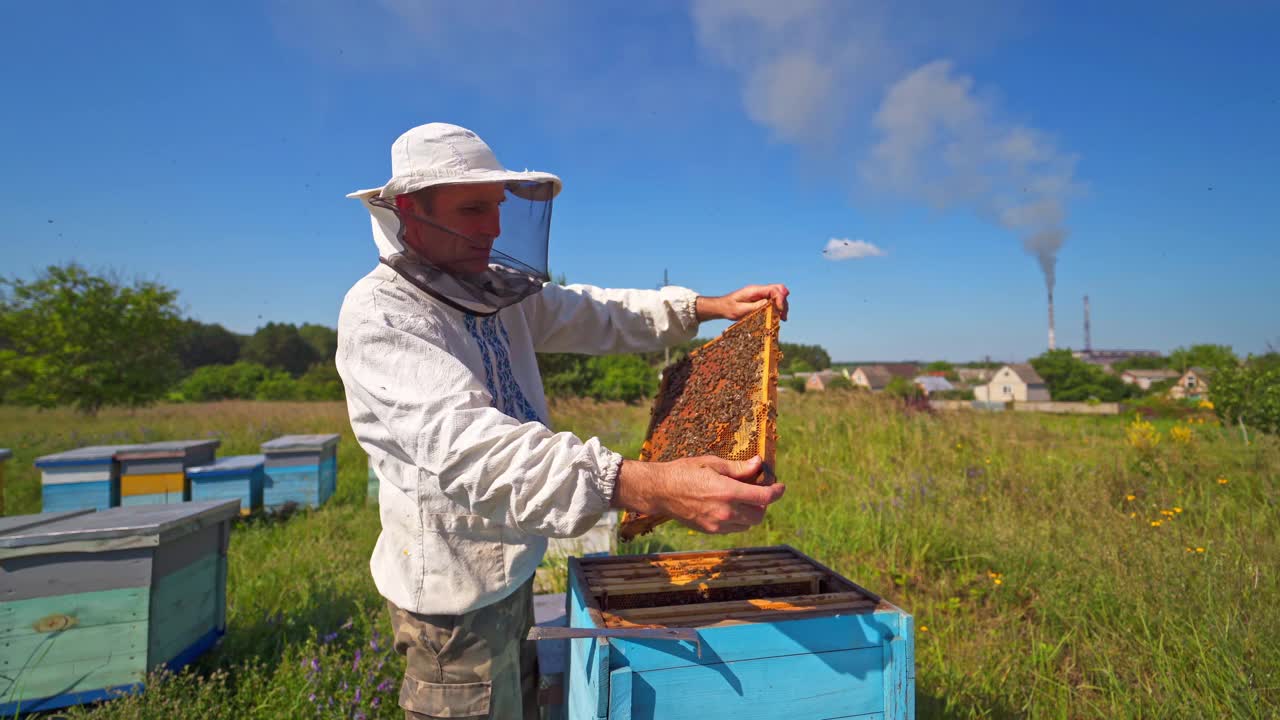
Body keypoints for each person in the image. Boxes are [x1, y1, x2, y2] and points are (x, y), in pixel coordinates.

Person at [336, 123, 790, 719]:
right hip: (453, 600)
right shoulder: (383, 316)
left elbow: (595, 312)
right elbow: (478, 452)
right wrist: (650, 484)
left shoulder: (492, 292)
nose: (494, 228)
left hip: (511, 567)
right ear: (407, 211)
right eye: (472, 209)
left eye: (498, 208)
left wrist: (706, 307)